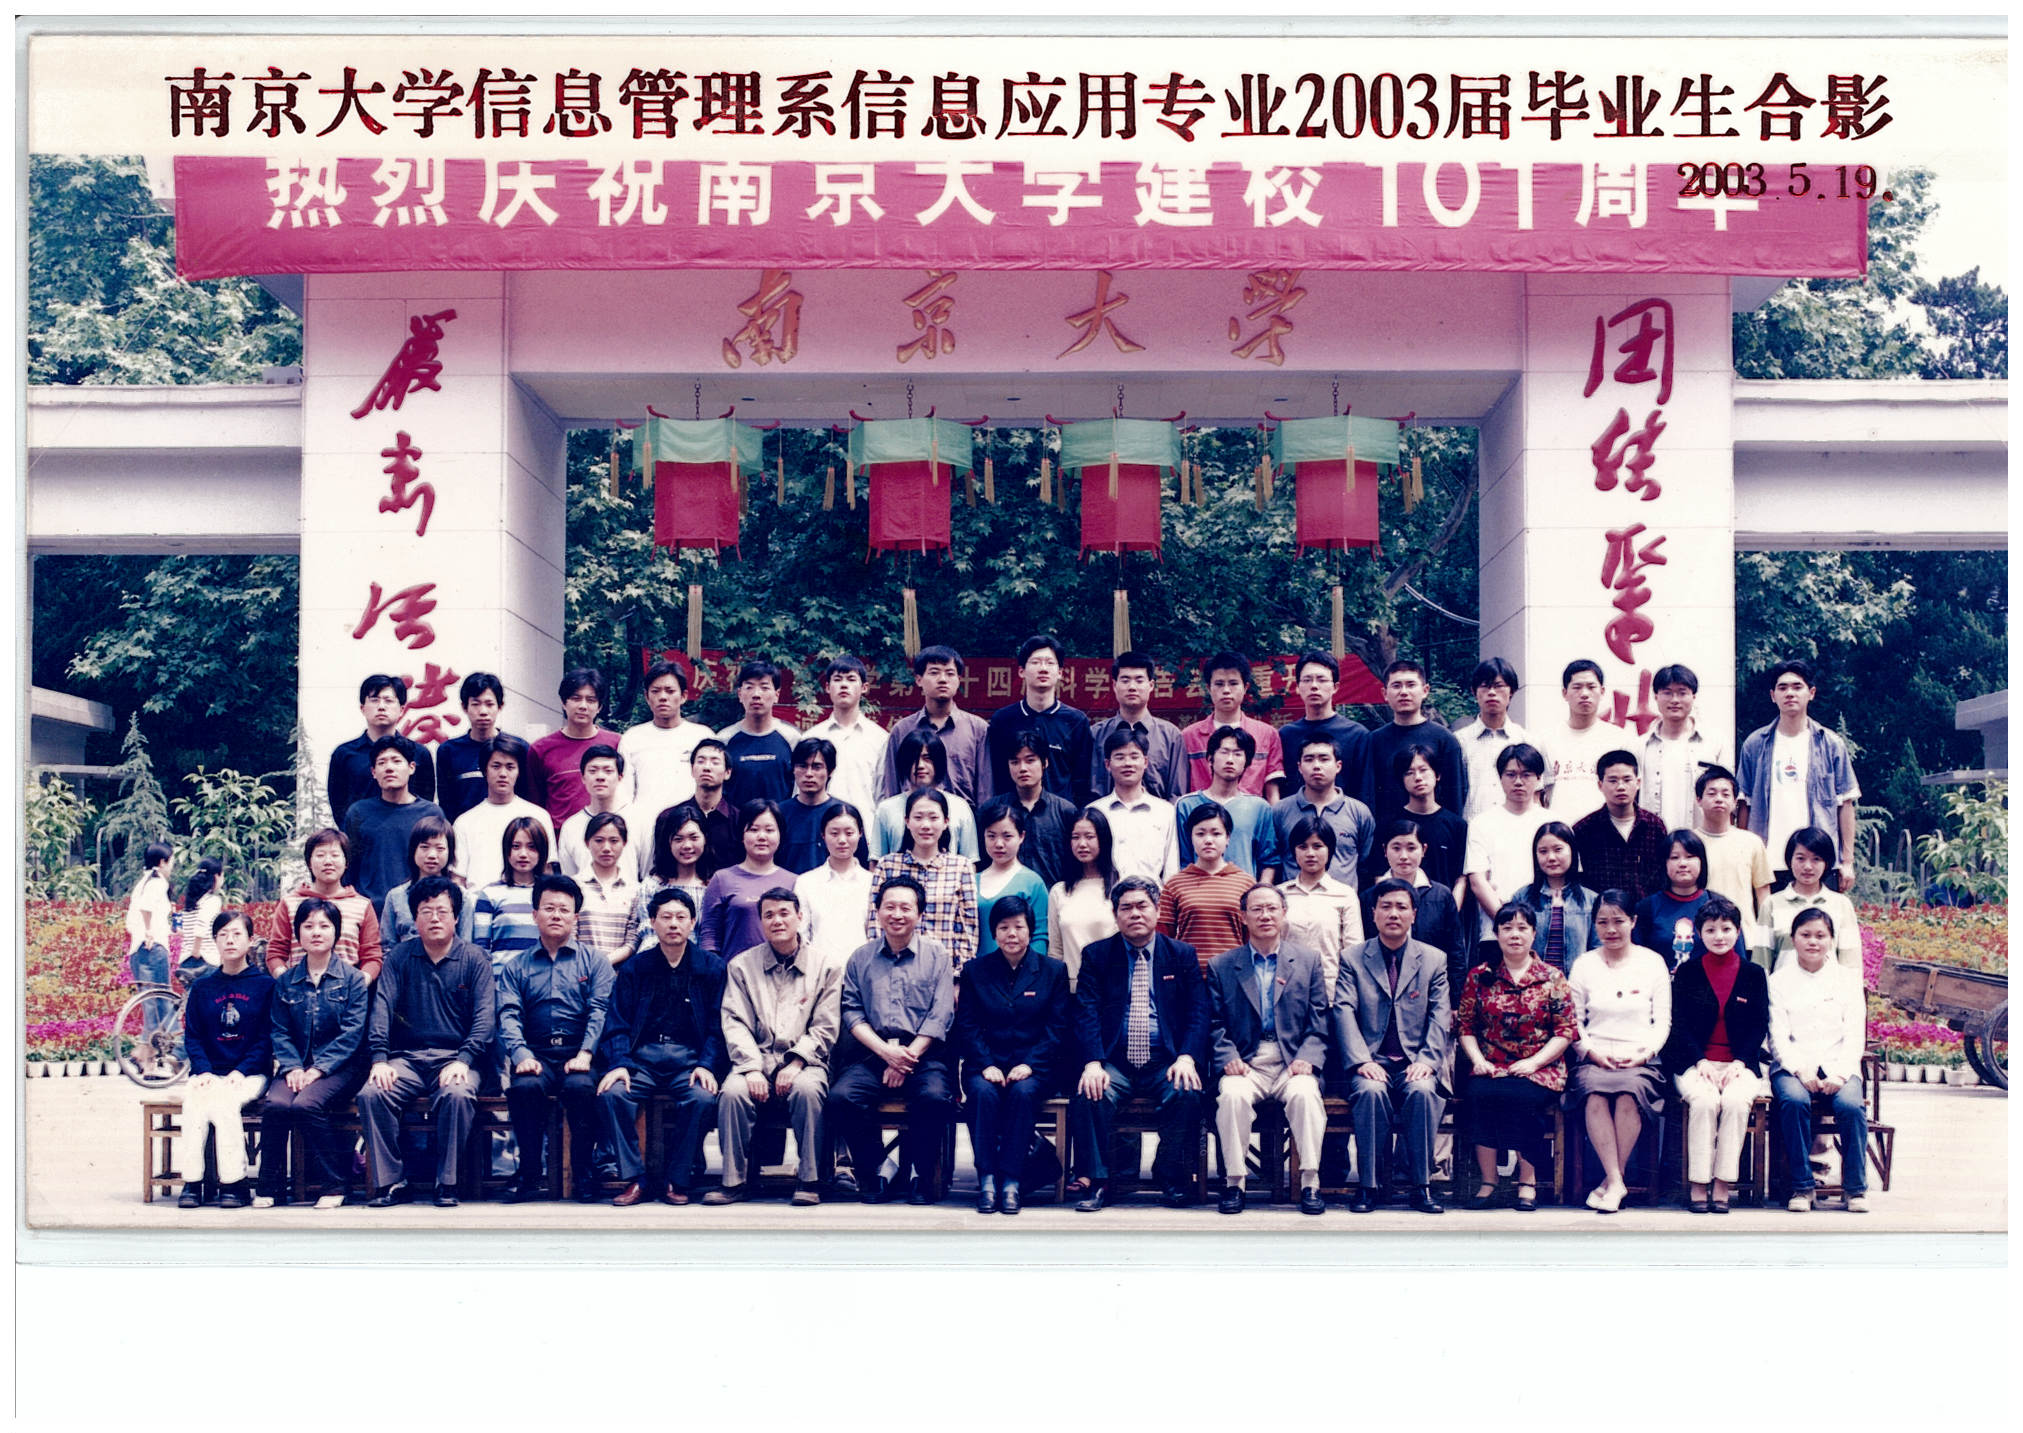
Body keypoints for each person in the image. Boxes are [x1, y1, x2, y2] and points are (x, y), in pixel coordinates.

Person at [1069, 877, 1209, 1212]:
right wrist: (1093, 1062)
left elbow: (1198, 1012)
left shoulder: (1181, 954)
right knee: (1090, 1092)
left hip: (1166, 1060)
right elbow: (1086, 1012)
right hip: (1114, 1060)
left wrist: (1187, 1057)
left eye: (1142, 906)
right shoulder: (1097, 956)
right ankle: (1100, 1181)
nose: (1135, 914)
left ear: (1157, 911)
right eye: (1126, 908)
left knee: (1187, 1091)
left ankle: (1170, 1174)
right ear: (1115, 915)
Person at [359, 877, 496, 1207]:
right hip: (406, 1059)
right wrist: (379, 1058)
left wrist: (464, 1059)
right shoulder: (400, 957)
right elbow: (382, 1008)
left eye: (442, 911)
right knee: (372, 1093)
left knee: (457, 1094)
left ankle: (446, 1182)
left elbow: (485, 1018)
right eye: (426, 911)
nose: (435, 918)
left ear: (456, 917)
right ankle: (392, 1181)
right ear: (415, 918)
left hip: (456, 1058)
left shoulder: (475, 959)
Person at [711, 887, 844, 1206]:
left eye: (784, 913)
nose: (777, 921)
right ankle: (734, 1182)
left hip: (806, 1061)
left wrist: (797, 1062)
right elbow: (735, 1022)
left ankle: (810, 1180)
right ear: (760, 922)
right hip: (754, 1059)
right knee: (732, 1093)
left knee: (808, 1091)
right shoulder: (741, 966)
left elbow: (826, 1026)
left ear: (800, 917)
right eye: (768, 915)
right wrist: (750, 1068)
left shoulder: (826, 966)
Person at [831, 875, 960, 1204]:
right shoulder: (860, 958)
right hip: (872, 1052)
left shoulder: (937, 956)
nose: (897, 914)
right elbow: (852, 1012)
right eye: (889, 907)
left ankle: (918, 1170)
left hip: (923, 1054)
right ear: (877, 912)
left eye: (906, 907)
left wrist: (905, 1059)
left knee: (934, 1098)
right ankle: (881, 1166)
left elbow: (941, 1013)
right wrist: (886, 1053)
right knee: (842, 1098)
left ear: (920, 914)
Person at [1206, 885, 1330, 1215]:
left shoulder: (1308, 961)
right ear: (1243, 917)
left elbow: (1319, 1019)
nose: (1265, 915)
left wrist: (1307, 1056)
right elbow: (1214, 1023)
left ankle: (1310, 1182)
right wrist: (1228, 1056)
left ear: (1283, 913)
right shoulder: (1222, 965)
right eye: (1257, 909)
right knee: (1231, 1097)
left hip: (1291, 1060)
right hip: (1247, 1062)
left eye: (1272, 908)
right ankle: (1235, 1183)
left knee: (1305, 1096)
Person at [599, 886, 725, 1207]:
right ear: (652, 922)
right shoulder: (635, 968)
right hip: (642, 1060)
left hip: (690, 1060)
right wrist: (619, 1063)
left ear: (693, 922)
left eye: (681, 917)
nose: (673, 924)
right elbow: (617, 1022)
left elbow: (718, 1026)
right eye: (666, 917)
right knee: (613, 1094)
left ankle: (676, 1178)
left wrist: (707, 1065)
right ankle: (635, 1178)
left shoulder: (711, 968)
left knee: (702, 1098)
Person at [953, 895, 1077, 1214]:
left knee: (1023, 1093)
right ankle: (987, 1179)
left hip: (1036, 1067)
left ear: (1030, 931)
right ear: (994, 932)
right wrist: (985, 1064)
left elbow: (1057, 1027)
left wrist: (1030, 1064)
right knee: (982, 1094)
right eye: (1004, 927)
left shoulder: (1053, 971)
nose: (1011, 934)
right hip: (985, 1064)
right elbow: (967, 1025)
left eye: (1018, 927)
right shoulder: (975, 971)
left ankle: (1011, 1181)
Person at [496, 874, 615, 1203]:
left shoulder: (595, 962)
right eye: (549, 908)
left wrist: (586, 1053)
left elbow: (600, 1011)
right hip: (536, 1054)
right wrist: (521, 1055)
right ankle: (529, 1172)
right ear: (535, 915)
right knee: (525, 1088)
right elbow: (508, 1014)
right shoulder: (516, 967)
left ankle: (583, 1172)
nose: (556, 915)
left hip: (580, 1053)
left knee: (581, 1088)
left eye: (564, 910)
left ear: (576, 917)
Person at [1336, 878, 1451, 1215]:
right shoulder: (1353, 958)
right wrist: (1361, 1061)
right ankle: (1369, 1186)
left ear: (1414, 914)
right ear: (1373, 913)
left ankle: (1421, 1186)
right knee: (1370, 1092)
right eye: (1385, 906)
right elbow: (1343, 1010)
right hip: (1372, 1060)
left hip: (1416, 1060)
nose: (1393, 914)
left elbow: (1440, 1015)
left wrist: (1427, 1060)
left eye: (1402, 907)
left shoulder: (1434, 959)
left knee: (1423, 1092)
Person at [1456, 903, 1578, 1211]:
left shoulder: (1552, 977)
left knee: (1522, 1097)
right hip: (1491, 1065)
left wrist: (1534, 1063)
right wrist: (1478, 1060)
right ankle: (1489, 1181)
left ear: (1534, 934)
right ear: (1496, 934)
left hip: (1540, 1067)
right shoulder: (1479, 976)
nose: (1515, 935)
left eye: (1522, 928)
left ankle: (1527, 1181)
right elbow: (1466, 1027)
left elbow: (1565, 1031)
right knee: (1478, 1094)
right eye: (1507, 928)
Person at [255, 900, 372, 1210]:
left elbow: (352, 1033)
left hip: (341, 1067)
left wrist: (319, 1069)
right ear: (298, 934)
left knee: (307, 1104)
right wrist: (293, 1067)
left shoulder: (353, 980)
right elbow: (279, 1030)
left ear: (336, 932)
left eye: (324, 926)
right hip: (296, 1066)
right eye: (308, 926)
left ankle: (335, 1184)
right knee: (277, 1105)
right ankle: (270, 1185)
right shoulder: (286, 981)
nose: (316, 932)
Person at [1663, 895, 1771, 1214]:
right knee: (1705, 1101)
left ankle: (1723, 1183)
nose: (1719, 936)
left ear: (1738, 931)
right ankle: (1699, 1184)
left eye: (1726, 929)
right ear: (1699, 934)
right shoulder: (1687, 973)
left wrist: (1740, 1062)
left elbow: (1759, 1024)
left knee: (1736, 1102)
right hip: (1694, 1063)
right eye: (1710, 930)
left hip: (1740, 1064)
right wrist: (1700, 1061)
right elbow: (1679, 1024)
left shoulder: (1753, 974)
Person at [1567, 889, 1672, 1213]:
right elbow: (1573, 1020)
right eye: (1602, 922)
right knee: (1595, 1095)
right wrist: (1591, 1052)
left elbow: (1662, 1021)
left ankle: (1610, 1183)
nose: (1611, 929)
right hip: (1595, 1057)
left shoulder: (1652, 963)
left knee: (1629, 1094)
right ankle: (1616, 1181)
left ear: (1633, 921)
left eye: (1618, 921)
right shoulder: (1584, 965)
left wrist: (1644, 1054)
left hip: (1640, 1059)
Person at [1769, 908, 1871, 1213]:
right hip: (1793, 1065)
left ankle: (1855, 1190)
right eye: (1805, 935)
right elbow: (1777, 1036)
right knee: (1794, 1101)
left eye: (1820, 935)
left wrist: (1840, 1075)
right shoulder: (1778, 981)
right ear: (1793, 939)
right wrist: (1800, 1070)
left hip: (1839, 1063)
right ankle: (1802, 1187)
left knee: (1851, 1106)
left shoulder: (1847, 980)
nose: (1813, 942)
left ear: (1831, 940)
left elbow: (1855, 1034)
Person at [175, 909, 274, 1208]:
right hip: (209, 1072)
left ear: (250, 940)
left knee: (224, 1101)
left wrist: (241, 1071)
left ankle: (234, 1183)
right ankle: (193, 1182)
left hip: (251, 1074)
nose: (230, 940)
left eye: (237, 934)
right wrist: (203, 1071)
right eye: (223, 935)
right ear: (215, 941)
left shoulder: (265, 985)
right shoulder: (203, 987)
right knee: (193, 1100)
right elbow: (193, 1036)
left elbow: (266, 1038)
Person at [1736, 658, 1861, 890]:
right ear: (1773, 695)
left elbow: (1845, 803)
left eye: (1797, 687)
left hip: (1818, 863)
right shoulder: (1755, 744)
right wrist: (1742, 857)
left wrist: (1847, 862)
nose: (1790, 693)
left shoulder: (1830, 744)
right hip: (1766, 864)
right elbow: (1745, 804)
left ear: (1811, 693)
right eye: (1782, 688)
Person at [866, 787, 980, 971]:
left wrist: (959, 975)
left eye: (933, 818)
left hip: (943, 971)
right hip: (893, 969)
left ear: (945, 822)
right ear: (907, 821)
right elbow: (875, 922)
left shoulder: (961, 867)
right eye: (918, 818)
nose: (925, 825)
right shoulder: (887, 865)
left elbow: (967, 929)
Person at [987, 634, 1094, 809]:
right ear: (1021, 671)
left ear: (1060, 673)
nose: (1043, 669)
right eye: (1036, 662)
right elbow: (996, 775)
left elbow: (1082, 779)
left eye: (1050, 663)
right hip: (1011, 816)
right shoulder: (1003, 720)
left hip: (1062, 816)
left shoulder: (1076, 721)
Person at [1462, 742, 1552, 951]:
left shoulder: (1553, 822)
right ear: (1500, 777)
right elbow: (1478, 881)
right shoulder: (1482, 823)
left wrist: (1529, 928)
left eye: (1526, 774)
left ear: (1539, 778)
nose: (1518, 782)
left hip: (1546, 929)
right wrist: (1510, 926)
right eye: (1511, 775)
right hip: (1495, 931)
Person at [341, 733, 448, 907]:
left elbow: (441, 866)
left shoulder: (430, 813)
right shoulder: (358, 812)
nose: (389, 768)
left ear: (411, 767)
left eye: (396, 761)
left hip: (418, 907)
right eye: (382, 763)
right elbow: (348, 867)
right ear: (373, 772)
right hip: (370, 908)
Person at [878, 643, 992, 806]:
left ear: (959, 680)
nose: (943, 679)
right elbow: (892, 785)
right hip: (913, 817)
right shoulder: (902, 730)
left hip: (963, 817)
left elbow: (985, 789)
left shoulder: (977, 729)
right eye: (934, 672)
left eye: (950, 673)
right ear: (919, 679)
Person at [1360, 819, 1464, 996]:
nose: (1403, 856)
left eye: (1411, 848)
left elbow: (1455, 952)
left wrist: (1453, 999)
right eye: (1396, 848)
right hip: (1378, 990)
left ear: (1423, 850)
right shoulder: (1369, 897)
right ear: (1385, 850)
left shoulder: (1441, 896)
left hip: (1430, 990)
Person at [266, 828, 385, 980]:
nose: (328, 862)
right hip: (299, 989)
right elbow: (276, 952)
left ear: (346, 862)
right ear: (309, 862)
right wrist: (286, 981)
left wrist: (359, 984)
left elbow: (372, 956)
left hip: (348, 991)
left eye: (335, 855)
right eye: (320, 855)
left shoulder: (362, 905)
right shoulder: (290, 903)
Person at [1367, 659, 1467, 831]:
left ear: (1425, 690)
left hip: (1435, 834)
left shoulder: (1444, 739)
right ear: (1385, 693)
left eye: (1411, 685)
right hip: (1388, 836)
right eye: (1396, 686)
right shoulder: (1374, 741)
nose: (1404, 692)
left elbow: (1454, 797)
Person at [1174, 725, 1282, 880]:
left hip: (1244, 891)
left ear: (1247, 762)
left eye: (1238, 754)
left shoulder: (1259, 807)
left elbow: (1269, 859)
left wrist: (1262, 889)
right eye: (1224, 752)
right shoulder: (1186, 805)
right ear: (1210, 759)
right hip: (1197, 890)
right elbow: (1182, 859)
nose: (1230, 760)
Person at [1157, 800, 1256, 966]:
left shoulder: (1246, 883)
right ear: (1191, 837)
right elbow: (1163, 939)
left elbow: (1252, 936)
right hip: (1189, 973)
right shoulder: (1174, 884)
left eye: (1216, 834)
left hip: (1233, 973)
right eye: (1200, 834)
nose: (1208, 840)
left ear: (1228, 838)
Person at [1273, 733, 1375, 891]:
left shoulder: (1359, 812)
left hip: (1342, 901)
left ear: (1338, 766)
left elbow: (1365, 863)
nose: (1316, 766)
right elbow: (1274, 860)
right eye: (1309, 759)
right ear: (1299, 767)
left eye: (1324, 759)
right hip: (1293, 901)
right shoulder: (1280, 811)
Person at [451, 733, 553, 889]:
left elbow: (547, 870)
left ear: (519, 771)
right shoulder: (464, 822)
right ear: (484, 770)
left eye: (510, 767)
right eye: (496, 766)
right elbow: (458, 879)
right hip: (478, 900)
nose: (503, 774)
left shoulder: (539, 816)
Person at [1571, 749, 1671, 907]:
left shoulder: (1654, 826)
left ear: (1638, 783)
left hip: (1647, 914)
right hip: (1602, 915)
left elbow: (1664, 875)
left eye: (1627, 779)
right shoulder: (1584, 830)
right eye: (1613, 780)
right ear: (1600, 785)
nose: (1621, 787)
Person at [328, 674, 435, 821]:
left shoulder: (419, 753)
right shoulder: (344, 754)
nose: (381, 707)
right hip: (359, 832)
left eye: (388, 700)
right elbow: (338, 804)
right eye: (374, 700)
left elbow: (425, 802)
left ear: (402, 709)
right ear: (362, 708)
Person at [1277, 651, 1374, 811]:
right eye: (1307, 680)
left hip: (1344, 820)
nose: (1314, 686)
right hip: (1296, 820)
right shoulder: (1286, 735)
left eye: (1321, 680)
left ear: (1335, 687)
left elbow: (1365, 790)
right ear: (1298, 687)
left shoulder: (1356, 734)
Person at [434, 671, 537, 823]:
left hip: (511, 830)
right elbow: (446, 803)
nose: (483, 711)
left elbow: (528, 795)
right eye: (476, 704)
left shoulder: (519, 748)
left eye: (489, 704)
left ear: (500, 706)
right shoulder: (448, 751)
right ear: (464, 707)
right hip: (465, 830)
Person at [617, 658, 713, 820]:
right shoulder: (632, 738)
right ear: (647, 697)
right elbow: (624, 794)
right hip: (644, 827)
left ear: (683, 696)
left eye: (670, 691)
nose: (662, 697)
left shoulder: (703, 737)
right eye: (655, 691)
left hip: (692, 828)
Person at [1181, 650, 1283, 800]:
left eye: (1233, 683)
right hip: (1203, 813)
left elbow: (1272, 792)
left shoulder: (1267, 735)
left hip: (1250, 813)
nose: (1226, 690)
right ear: (1208, 688)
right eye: (1219, 684)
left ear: (1245, 687)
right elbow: (1181, 787)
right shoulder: (1189, 736)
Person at [1088, 650, 1189, 800]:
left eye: (1139, 680)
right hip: (1103, 813)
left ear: (1151, 685)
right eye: (1125, 680)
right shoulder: (1095, 735)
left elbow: (1177, 792)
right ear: (1114, 685)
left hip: (1158, 814)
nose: (1132, 687)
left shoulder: (1170, 736)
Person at [1640, 663, 1729, 834]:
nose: (1675, 700)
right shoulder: (1640, 746)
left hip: (1702, 840)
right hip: (1653, 842)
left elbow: (1727, 796)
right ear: (1656, 696)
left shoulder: (1715, 743)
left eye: (1682, 693)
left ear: (1693, 696)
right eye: (1667, 692)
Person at [1758, 828, 1863, 971]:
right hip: (1783, 985)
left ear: (1826, 863)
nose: (1807, 866)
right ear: (1790, 860)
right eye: (1800, 858)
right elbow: (1761, 961)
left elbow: (1851, 963)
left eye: (1816, 859)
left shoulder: (1841, 905)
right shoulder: (1772, 904)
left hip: (1829, 985)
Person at [530, 667, 622, 828]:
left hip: (605, 836)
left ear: (599, 707)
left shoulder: (617, 744)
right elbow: (535, 803)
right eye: (576, 698)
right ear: (563, 703)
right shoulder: (540, 749)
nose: (583, 706)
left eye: (591, 700)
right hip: (559, 838)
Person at [699, 800, 789, 959]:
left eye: (769, 830)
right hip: (733, 971)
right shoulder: (722, 879)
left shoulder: (794, 882)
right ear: (742, 835)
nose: (761, 836)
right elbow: (709, 937)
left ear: (780, 835)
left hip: (781, 972)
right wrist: (715, 969)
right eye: (753, 829)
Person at [870, 728, 980, 860]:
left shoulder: (959, 807)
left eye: (927, 758)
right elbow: (876, 862)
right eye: (913, 759)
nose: (920, 765)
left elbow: (970, 861)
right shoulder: (886, 809)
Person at [1089, 726, 1179, 885]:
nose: (1127, 763)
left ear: (1145, 762)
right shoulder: (1095, 812)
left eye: (1134, 756)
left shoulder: (1165, 812)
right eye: (1120, 757)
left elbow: (1171, 869)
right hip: (1106, 896)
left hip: (1153, 897)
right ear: (1108, 764)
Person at [804, 654, 889, 819]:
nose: (843, 685)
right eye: (837, 679)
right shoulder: (812, 737)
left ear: (864, 687)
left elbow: (885, 794)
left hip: (867, 828)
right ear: (827, 687)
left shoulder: (880, 739)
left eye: (851, 679)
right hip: (820, 827)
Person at [1694, 765, 1772, 944]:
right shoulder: (1689, 843)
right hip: (1702, 936)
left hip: (1745, 937)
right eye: (1712, 793)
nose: (1719, 799)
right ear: (1699, 799)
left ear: (1735, 801)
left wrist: (1764, 936)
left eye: (1725, 794)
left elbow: (1763, 894)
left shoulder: (1752, 842)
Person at [1509, 821, 1601, 973]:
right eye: (1543, 851)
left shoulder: (1591, 900)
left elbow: (1598, 951)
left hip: (1576, 982)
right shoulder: (1522, 898)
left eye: (1558, 849)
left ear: (1572, 851)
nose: (1551, 857)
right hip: (1532, 983)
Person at [796, 801, 874, 968]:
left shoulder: (872, 882)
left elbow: (876, 933)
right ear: (823, 835)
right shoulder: (806, 882)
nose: (842, 840)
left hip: (862, 972)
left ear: (860, 833)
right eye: (834, 833)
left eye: (849, 833)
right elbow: (801, 934)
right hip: (818, 973)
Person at [1047, 809, 1119, 990]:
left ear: (1103, 839)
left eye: (1089, 837)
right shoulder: (1059, 891)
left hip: (1110, 988)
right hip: (1070, 990)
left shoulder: (1119, 888)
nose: (1082, 844)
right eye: (1075, 837)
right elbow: (1055, 951)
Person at [719, 657, 803, 810]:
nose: (756, 694)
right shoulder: (724, 739)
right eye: (749, 687)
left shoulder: (793, 739)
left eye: (764, 687)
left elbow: (800, 789)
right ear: (740, 694)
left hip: (781, 822)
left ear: (777, 694)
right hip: (737, 823)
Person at [1453, 658, 1532, 821]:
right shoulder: (1460, 741)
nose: (1491, 692)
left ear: (1512, 691)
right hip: (1472, 828)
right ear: (1474, 692)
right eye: (1485, 686)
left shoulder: (1525, 740)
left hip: (1516, 826)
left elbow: (1536, 794)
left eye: (1498, 686)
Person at [975, 798, 1052, 961]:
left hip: (1019, 971)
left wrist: (1028, 972)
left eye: (1007, 836)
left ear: (1021, 836)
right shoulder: (971, 881)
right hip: (976, 971)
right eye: (991, 836)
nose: (999, 844)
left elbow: (1039, 936)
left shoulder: (1032, 883)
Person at [1000, 728, 1078, 889]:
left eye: (1030, 760)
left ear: (1045, 763)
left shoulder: (1065, 811)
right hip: (1006, 898)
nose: (1022, 768)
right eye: (1015, 762)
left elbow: (1074, 863)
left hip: (1053, 897)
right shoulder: (994, 809)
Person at [1540, 659, 1614, 826]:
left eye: (1591, 687)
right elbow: (1540, 795)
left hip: (1604, 833)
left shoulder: (1619, 739)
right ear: (1564, 693)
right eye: (1577, 687)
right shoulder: (1547, 739)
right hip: (1560, 833)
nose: (1585, 693)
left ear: (1602, 691)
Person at [380, 815, 473, 947]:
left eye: (440, 848)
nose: (432, 855)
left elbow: (466, 945)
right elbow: (387, 947)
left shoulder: (462, 897)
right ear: (413, 850)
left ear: (450, 852)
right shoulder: (395, 896)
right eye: (424, 847)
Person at [473, 817, 552, 972]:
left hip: (543, 980)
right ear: (506, 850)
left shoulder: (551, 894)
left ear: (542, 851)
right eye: (516, 846)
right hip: (501, 980)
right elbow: (482, 950)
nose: (523, 854)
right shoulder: (489, 894)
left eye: (531, 847)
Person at [1387, 741, 1467, 891]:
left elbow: (1461, 878)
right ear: (1401, 780)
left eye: (1423, 770)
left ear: (1437, 775)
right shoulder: (1389, 824)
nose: (1418, 777)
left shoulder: (1457, 825)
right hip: (1400, 902)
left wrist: (1451, 905)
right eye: (1409, 772)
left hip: (1445, 903)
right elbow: (1379, 873)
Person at [635, 803, 715, 951]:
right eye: (678, 839)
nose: (687, 845)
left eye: (694, 838)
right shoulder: (652, 886)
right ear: (669, 843)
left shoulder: (714, 887)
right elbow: (649, 935)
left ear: (705, 839)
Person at [1634, 832, 1715, 970]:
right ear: (1664, 863)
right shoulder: (1646, 908)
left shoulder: (1716, 903)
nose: (1682, 863)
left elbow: (1736, 960)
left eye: (1690, 856)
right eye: (1674, 857)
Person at [556, 745, 638, 879]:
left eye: (608, 771)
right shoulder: (571, 826)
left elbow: (647, 872)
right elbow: (569, 877)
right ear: (583, 778)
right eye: (593, 771)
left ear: (620, 777)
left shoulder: (639, 820)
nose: (600, 777)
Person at [125, 840, 177, 1052]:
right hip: (152, 948)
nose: (172, 866)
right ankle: (173, 1053)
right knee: (162, 1001)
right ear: (162, 862)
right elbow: (146, 909)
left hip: (138, 950)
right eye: (171, 861)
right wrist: (149, 931)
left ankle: (147, 1054)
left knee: (151, 1004)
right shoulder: (157, 882)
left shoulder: (143, 882)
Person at [574, 812, 640, 966]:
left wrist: (603, 963)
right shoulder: (574, 885)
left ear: (624, 843)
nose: (606, 848)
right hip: (580, 971)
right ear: (587, 842)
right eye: (599, 840)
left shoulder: (635, 889)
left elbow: (633, 939)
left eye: (614, 841)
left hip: (619, 974)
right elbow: (570, 934)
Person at [775, 737, 840, 874]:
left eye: (817, 767)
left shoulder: (842, 814)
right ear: (793, 769)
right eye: (802, 766)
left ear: (830, 771)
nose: (809, 774)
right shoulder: (778, 814)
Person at [685, 739, 742, 872]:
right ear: (692, 770)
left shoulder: (739, 821)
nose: (707, 768)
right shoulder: (669, 817)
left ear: (727, 773)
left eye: (715, 762)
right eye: (701, 761)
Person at [174, 857, 226, 987]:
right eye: (222, 875)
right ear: (216, 876)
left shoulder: (192, 902)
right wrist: (196, 951)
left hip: (186, 961)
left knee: (193, 998)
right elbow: (201, 926)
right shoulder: (212, 901)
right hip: (205, 960)